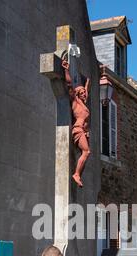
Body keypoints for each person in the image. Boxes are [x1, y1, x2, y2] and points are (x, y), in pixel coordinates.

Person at [62, 59, 91, 188]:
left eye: (85, 93)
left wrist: (88, 82)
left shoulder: (84, 105)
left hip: (83, 131)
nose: (85, 94)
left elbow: (86, 88)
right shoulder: (76, 102)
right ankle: (76, 174)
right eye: (83, 93)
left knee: (85, 153)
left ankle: (78, 175)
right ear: (78, 94)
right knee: (86, 152)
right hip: (78, 130)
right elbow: (69, 85)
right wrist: (66, 69)